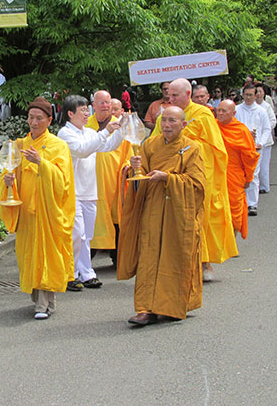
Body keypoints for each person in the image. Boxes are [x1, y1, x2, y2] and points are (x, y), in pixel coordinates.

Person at [118, 106, 205, 324]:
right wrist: (134, 169)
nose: (166, 125)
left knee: (173, 257)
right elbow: (139, 177)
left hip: (178, 212)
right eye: (163, 120)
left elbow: (198, 184)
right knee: (148, 255)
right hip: (153, 208)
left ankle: (170, 306)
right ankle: (145, 308)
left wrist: (168, 178)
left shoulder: (192, 148)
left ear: (183, 125)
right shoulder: (150, 144)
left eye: (172, 121)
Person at [150, 78, 238, 282]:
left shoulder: (202, 115)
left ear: (188, 95)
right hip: (170, 176)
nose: (170, 99)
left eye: (174, 95)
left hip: (198, 175)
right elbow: (155, 142)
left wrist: (184, 140)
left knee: (200, 219)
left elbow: (214, 148)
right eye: (168, 95)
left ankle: (204, 262)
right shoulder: (165, 116)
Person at [0, 97, 76, 320]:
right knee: (29, 256)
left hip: (47, 212)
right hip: (27, 212)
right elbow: (9, 171)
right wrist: (8, 181)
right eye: (31, 117)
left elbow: (64, 180)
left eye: (39, 118)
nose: (34, 122)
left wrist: (42, 162)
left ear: (49, 120)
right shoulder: (20, 145)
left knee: (46, 255)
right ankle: (40, 301)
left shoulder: (57, 146)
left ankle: (44, 305)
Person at [58, 95, 123, 290]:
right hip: (73, 193)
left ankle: (86, 272)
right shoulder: (65, 134)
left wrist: (120, 129)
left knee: (87, 235)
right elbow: (82, 150)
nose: (87, 114)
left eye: (88, 110)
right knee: (76, 234)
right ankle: (70, 273)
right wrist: (106, 131)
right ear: (70, 113)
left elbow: (108, 146)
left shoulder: (88, 132)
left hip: (89, 191)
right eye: (83, 110)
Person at [86, 90, 133, 265]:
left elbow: (128, 150)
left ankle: (118, 257)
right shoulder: (85, 126)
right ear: (94, 106)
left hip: (114, 180)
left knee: (115, 218)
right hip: (89, 181)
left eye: (108, 103)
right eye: (102, 103)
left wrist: (127, 166)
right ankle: (85, 260)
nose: (106, 106)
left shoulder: (119, 125)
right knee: (90, 219)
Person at [216, 100, 259, 239]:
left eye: (224, 111)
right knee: (216, 208)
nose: (220, 113)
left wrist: (249, 177)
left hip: (234, 173)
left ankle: (232, 242)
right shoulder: (213, 127)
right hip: (215, 172)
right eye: (219, 110)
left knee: (234, 207)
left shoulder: (241, 130)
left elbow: (250, 156)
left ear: (233, 113)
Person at [235, 84, 271, 216]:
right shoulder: (237, 110)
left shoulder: (261, 111)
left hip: (255, 148)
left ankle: (252, 204)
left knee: (253, 175)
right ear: (243, 95)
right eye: (246, 95)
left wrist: (261, 142)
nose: (249, 97)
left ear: (256, 96)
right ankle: (241, 201)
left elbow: (267, 129)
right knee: (240, 174)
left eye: (251, 95)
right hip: (240, 147)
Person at [255, 85, 276, 194]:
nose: (258, 94)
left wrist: (264, 131)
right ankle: (254, 186)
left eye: (260, 91)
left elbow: (273, 121)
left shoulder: (266, 106)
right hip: (252, 141)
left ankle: (264, 186)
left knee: (264, 165)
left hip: (265, 141)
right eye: (256, 92)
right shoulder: (250, 107)